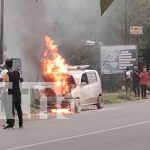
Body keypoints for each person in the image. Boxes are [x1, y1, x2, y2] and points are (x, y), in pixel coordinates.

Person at [0, 59, 23, 129]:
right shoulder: (17, 72)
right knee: (18, 108)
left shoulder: (8, 74)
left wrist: (1, 93)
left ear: (6, 66)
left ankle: (11, 124)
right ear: (12, 65)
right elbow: (21, 80)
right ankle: (20, 123)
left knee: (11, 109)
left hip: (11, 93)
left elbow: (7, 85)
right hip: (17, 92)